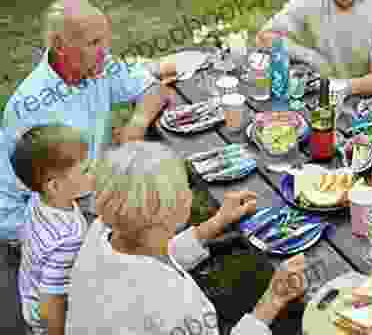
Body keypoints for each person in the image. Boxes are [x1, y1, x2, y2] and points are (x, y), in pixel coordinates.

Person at [66, 141, 307, 335]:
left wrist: (216, 223)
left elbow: (152, 254)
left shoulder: (105, 228)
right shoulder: (174, 303)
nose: (190, 193)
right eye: (184, 186)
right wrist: (273, 299)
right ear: (169, 211)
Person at [0, 0, 176, 244]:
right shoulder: (35, 108)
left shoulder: (94, 67)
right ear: (60, 46)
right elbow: (57, 192)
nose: (105, 52)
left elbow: (153, 89)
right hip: (38, 214)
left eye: (105, 40)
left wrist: (136, 124)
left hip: (79, 185)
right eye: (94, 43)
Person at [11, 124, 95, 335]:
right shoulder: (67, 240)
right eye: (85, 171)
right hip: (48, 317)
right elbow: (52, 301)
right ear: (55, 186)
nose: (93, 174)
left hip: (29, 289)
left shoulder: (37, 200)